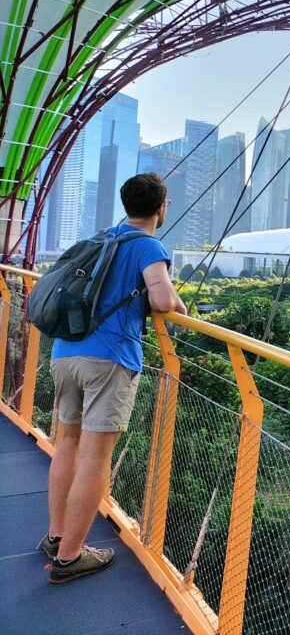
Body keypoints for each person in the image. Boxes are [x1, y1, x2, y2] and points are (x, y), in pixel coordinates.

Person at [41, 173, 187, 584]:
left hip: (65, 352)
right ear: (162, 208)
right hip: (108, 359)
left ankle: (56, 537)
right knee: (95, 456)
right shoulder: (147, 246)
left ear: (126, 204)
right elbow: (161, 300)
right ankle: (70, 558)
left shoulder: (102, 237)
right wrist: (180, 305)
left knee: (68, 442)